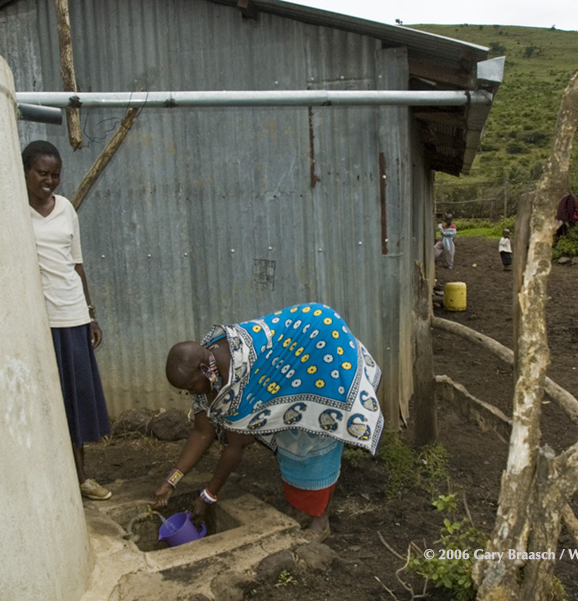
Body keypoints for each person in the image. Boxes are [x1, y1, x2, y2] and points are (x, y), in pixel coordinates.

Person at [151, 302, 384, 542]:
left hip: (320, 345)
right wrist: (171, 482)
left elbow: (237, 445)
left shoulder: (238, 376)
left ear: (203, 369)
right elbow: (202, 432)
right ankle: (297, 507)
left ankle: (320, 521)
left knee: (314, 437)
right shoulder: (207, 375)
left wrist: (207, 496)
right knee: (288, 436)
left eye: (190, 387)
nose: (191, 393)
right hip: (291, 358)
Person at [23, 140, 112, 501]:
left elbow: (77, 265)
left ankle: (82, 480)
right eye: (42, 173)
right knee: (47, 402)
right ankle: (52, 483)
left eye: (55, 174)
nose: (49, 181)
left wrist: (90, 315)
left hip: (72, 314)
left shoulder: (66, 209)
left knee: (75, 401)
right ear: (25, 171)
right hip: (39, 321)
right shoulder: (13, 210)